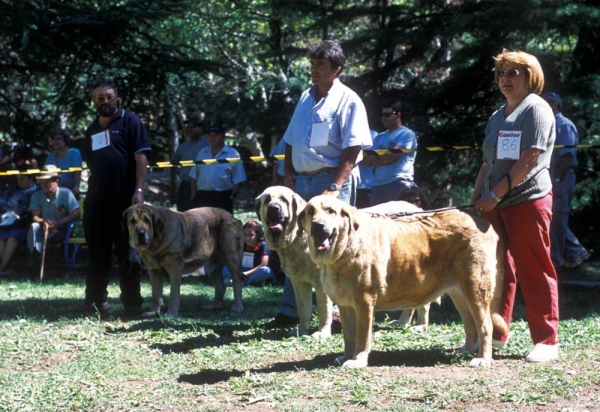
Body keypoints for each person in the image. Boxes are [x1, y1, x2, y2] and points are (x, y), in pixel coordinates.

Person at [266, 40, 373, 329]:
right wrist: (287, 170)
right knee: (293, 243)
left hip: (332, 180)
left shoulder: (349, 100)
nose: (314, 70)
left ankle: (339, 312)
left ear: (337, 69)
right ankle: (290, 312)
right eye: (313, 64)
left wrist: (335, 186)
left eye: (321, 65)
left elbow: (353, 148)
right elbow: (290, 139)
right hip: (301, 179)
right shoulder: (304, 97)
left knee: (337, 245)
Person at [471, 50, 559, 363]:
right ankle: (495, 334)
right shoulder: (497, 115)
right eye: (501, 73)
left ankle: (547, 341)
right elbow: (488, 161)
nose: (505, 79)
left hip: (527, 200)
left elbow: (529, 159)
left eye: (513, 73)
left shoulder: (536, 109)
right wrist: (477, 197)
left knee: (533, 267)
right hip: (494, 203)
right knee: (495, 269)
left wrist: (495, 194)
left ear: (530, 76)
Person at [79, 79, 151, 316]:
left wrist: (139, 190)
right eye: (100, 98)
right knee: (97, 254)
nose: (105, 101)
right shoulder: (91, 130)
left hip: (125, 202)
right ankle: (96, 304)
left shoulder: (130, 121)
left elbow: (141, 158)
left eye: (109, 96)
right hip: (96, 202)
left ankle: (132, 305)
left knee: (128, 255)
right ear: (94, 101)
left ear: (115, 98)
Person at [542, 92, 590, 270]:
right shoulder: (551, 124)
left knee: (557, 218)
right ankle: (577, 252)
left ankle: (556, 261)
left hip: (561, 177)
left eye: (546, 103)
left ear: (555, 104)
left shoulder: (563, 125)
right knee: (553, 218)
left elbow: (567, 155)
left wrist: (557, 178)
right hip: (553, 176)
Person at [363, 100, 419, 206]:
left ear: (398, 115)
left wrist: (380, 157)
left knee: (400, 219)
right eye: (382, 115)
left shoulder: (406, 133)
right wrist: (386, 159)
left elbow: (393, 154)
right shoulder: (379, 137)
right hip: (377, 185)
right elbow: (367, 159)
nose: (384, 118)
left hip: (399, 183)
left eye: (387, 115)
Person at [188, 124, 246, 214]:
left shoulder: (232, 154)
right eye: (210, 135)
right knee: (201, 224)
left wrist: (233, 195)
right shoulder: (202, 152)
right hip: (202, 195)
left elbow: (239, 178)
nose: (212, 138)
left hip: (222, 196)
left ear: (223, 136)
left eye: (216, 135)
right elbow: (194, 175)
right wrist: (193, 192)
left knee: (223, 225)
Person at [27, 165, 80, 264]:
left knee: (56, 233)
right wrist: (44, 222)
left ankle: (42, 258)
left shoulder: (66, 193)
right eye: (42, 182)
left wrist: (59, 223)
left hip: (62, 229)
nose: (44, 185)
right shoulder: (36, 195)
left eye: (47, 182)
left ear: (56, 181)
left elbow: (76, 212)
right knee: (34, 226)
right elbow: (35, 216)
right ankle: (35, 256)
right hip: (44, 228)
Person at [0, 173, 40, 275]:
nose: (19, 181)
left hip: (24, 223)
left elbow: (34, 208)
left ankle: (3, 266)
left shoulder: (37, 191)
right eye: (17, 178)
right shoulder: (13, 190)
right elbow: (2, 202)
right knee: (0, 238)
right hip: (8, 221)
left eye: (22, 178)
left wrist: (22, 211)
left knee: (12, 238)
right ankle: (6, 267)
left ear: (31, 178)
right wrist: (9, 211)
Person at [171, 114, 208, 211]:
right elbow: (173, 162)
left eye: (194, 127)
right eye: (188, 127)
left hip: (203, 186)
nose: (190, 129)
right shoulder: (183, 146)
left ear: (201, 128)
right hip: (185, 185)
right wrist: (181, 173)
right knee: (183, 215)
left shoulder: (207, 144)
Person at [223, 221, 276, 287]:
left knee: (266, 271)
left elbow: (263, 264)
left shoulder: (264, 246)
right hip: (242, 271)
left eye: (251, 235)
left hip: (255, 272)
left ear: (258, 235)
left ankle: (242, 282)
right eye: (245, 235)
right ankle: (238, 280)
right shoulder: (242, 244)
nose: (248, 238)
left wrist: (247, 273)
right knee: (225, 268)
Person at [44, 128, 83, 198]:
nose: (55, 141)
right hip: (53, 191)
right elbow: (45, 172)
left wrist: (76, 187)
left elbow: (77, 171)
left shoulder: (74, 153)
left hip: (70, 191)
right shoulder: (52, 155)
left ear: (65, 140)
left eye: (58, 138)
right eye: (53, 139)